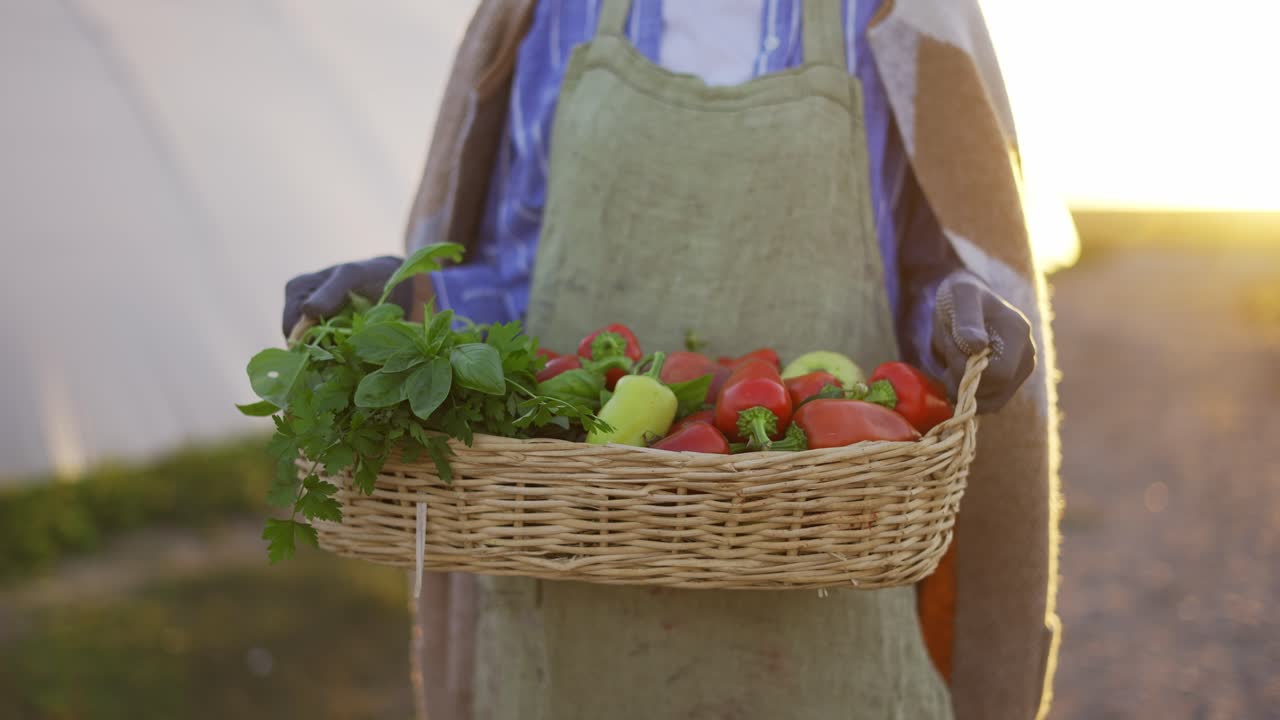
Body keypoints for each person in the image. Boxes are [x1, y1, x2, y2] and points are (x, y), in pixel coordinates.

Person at [282, 1, 1061, 718]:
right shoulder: (553, 13)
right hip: (568, 624)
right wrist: (413, 306)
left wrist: (956, 315)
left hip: (826, 623)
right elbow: (520, 284)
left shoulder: (895, 14)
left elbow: (928, 263)